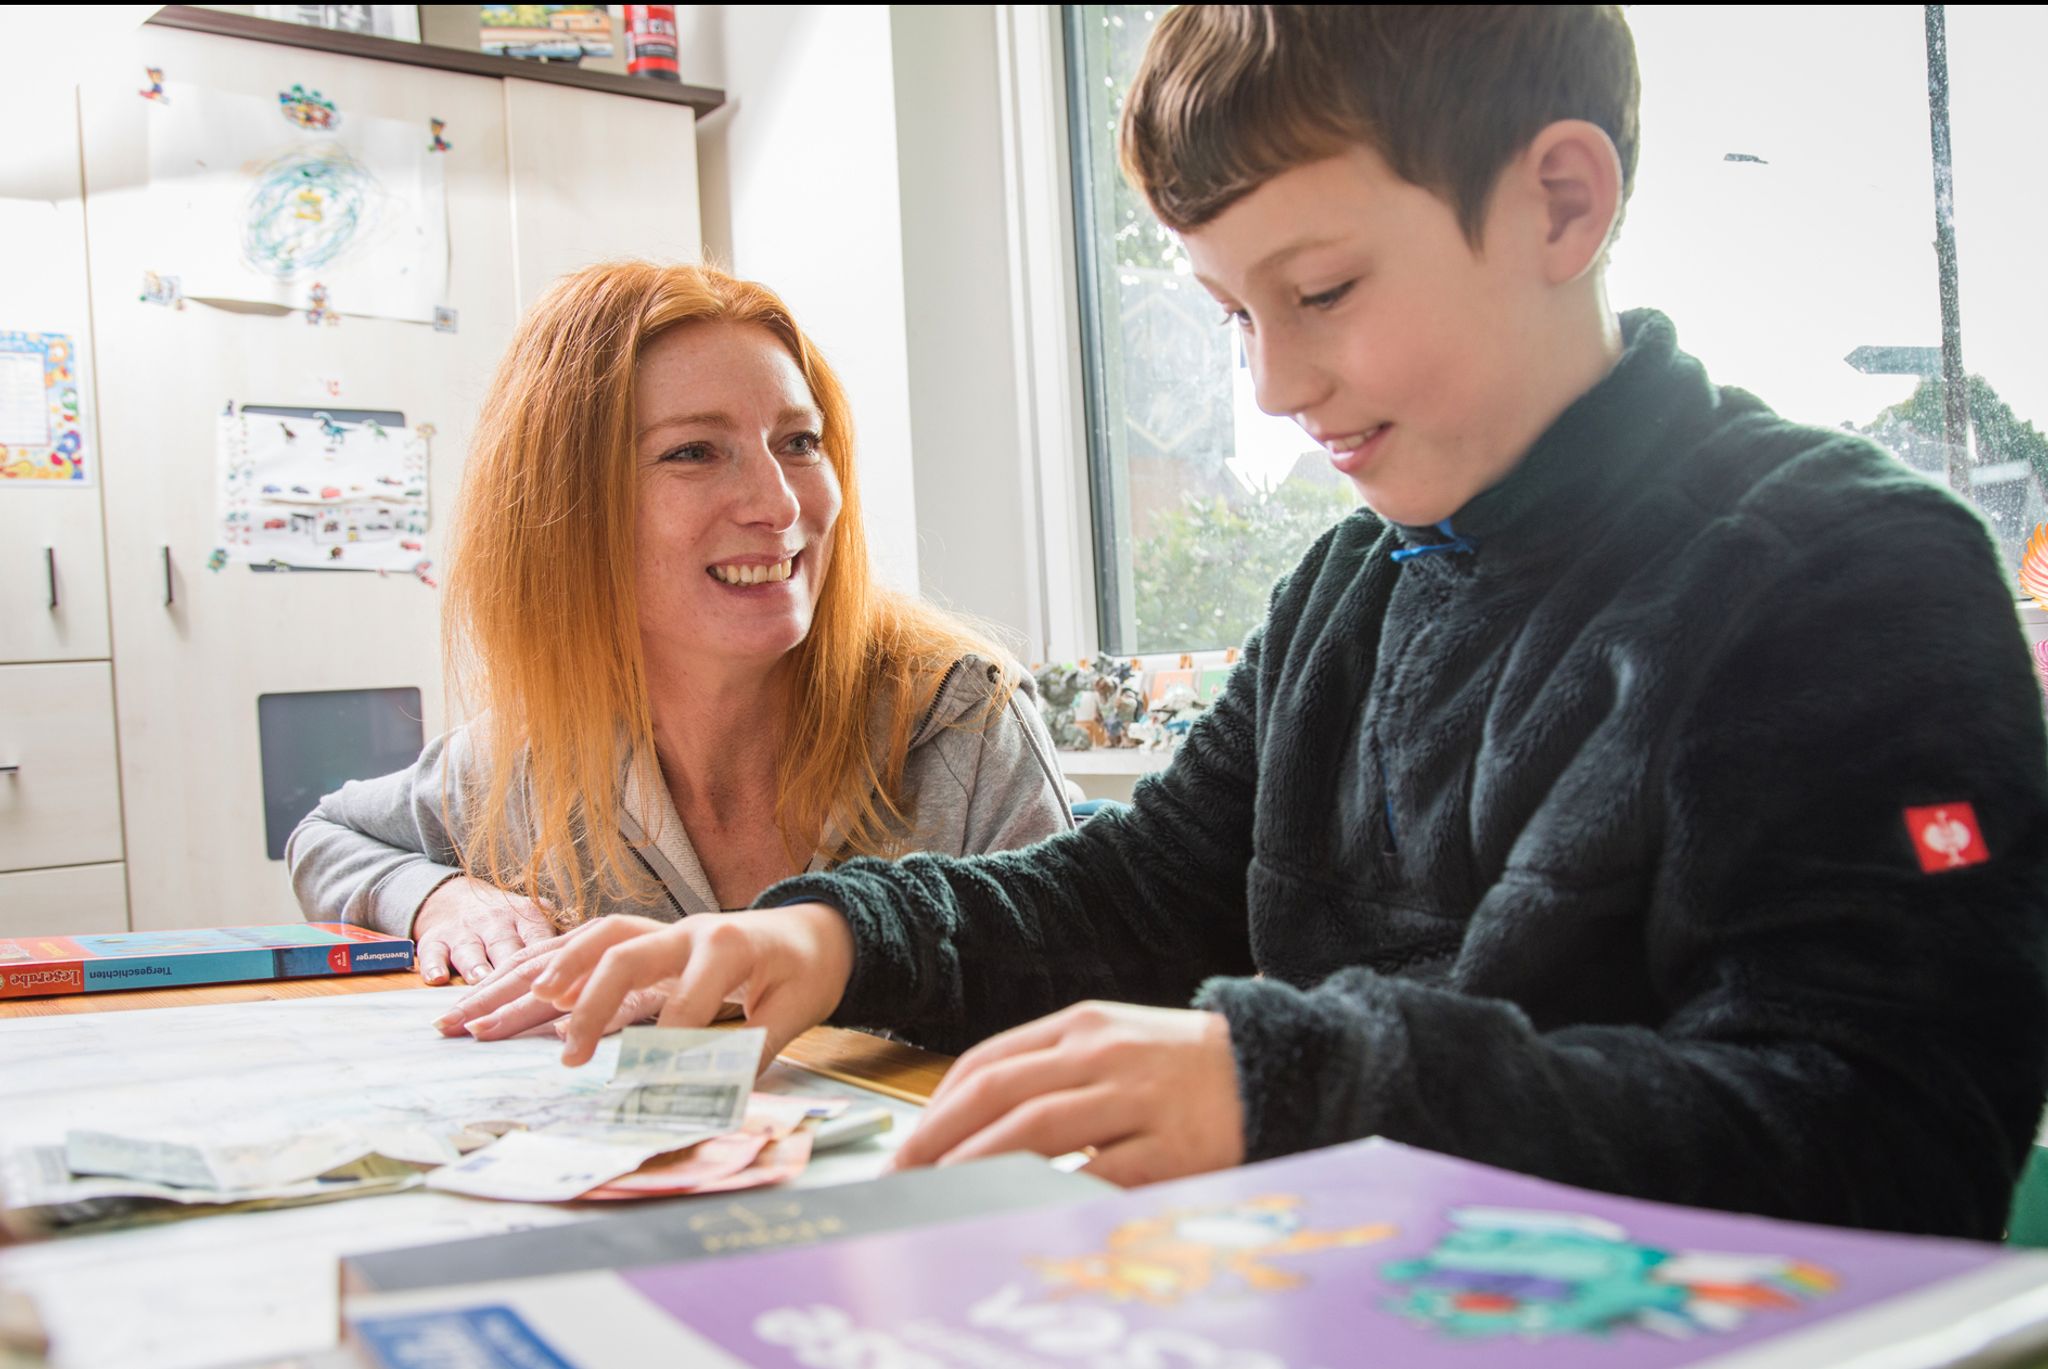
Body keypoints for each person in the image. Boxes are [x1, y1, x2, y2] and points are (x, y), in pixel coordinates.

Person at [453, 7, 2048, 1239]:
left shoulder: (1850, 577)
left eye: (1324, 292)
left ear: (1562, 202)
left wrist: (1298, 1083)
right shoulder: (1355, 582)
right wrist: (837, 932)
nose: (1277, 390)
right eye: (1234, 316)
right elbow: (1142, 889)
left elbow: (1882, 1136)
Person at [287, 260, 1073, 1027]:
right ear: (568, 508)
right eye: (694, 452)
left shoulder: (964, 721)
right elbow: (325, 835)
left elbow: (1077, 997)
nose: (777, 502)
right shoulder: (526, 759)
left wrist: (763, 976)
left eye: (799, 441)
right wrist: (440, 898)